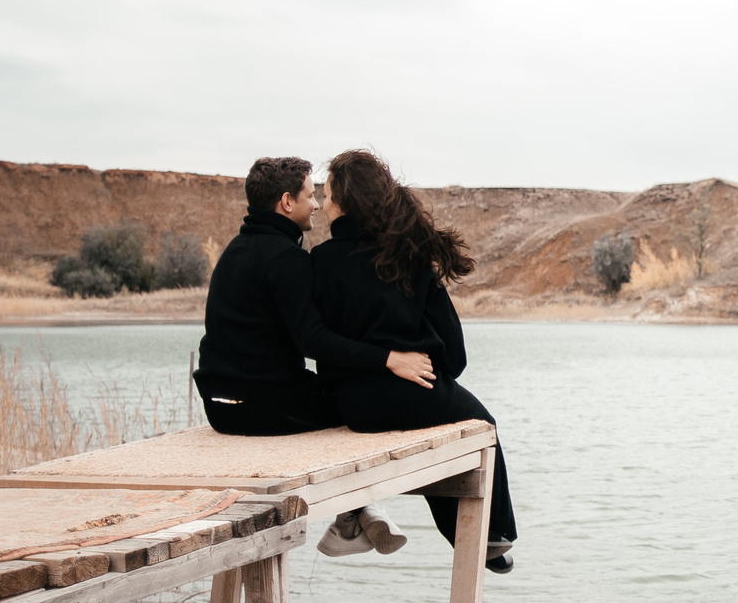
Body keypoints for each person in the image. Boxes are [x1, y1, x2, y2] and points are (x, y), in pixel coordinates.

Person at [308, 147, 518, 574]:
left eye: (327, 194)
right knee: (481, 427)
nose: (323, 202)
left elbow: (317, 341)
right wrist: (433, 375)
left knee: (447, 430)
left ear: (344, 202)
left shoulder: (320, 262)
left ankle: (356, 515)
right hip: (417, 394)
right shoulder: (409, 256)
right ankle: (489, 537)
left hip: (352, 406)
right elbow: (455, 354)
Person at [194, 155, 408, 553]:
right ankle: (350, 521)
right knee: (358, 403)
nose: (317, 204)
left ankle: (357, 515)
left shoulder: (234, 251)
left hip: (219, 407)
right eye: (311, 195)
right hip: (263, 408)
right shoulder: (287, 259)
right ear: (287, 202)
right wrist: (387, 358)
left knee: (339, 395)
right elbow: (314, 342)